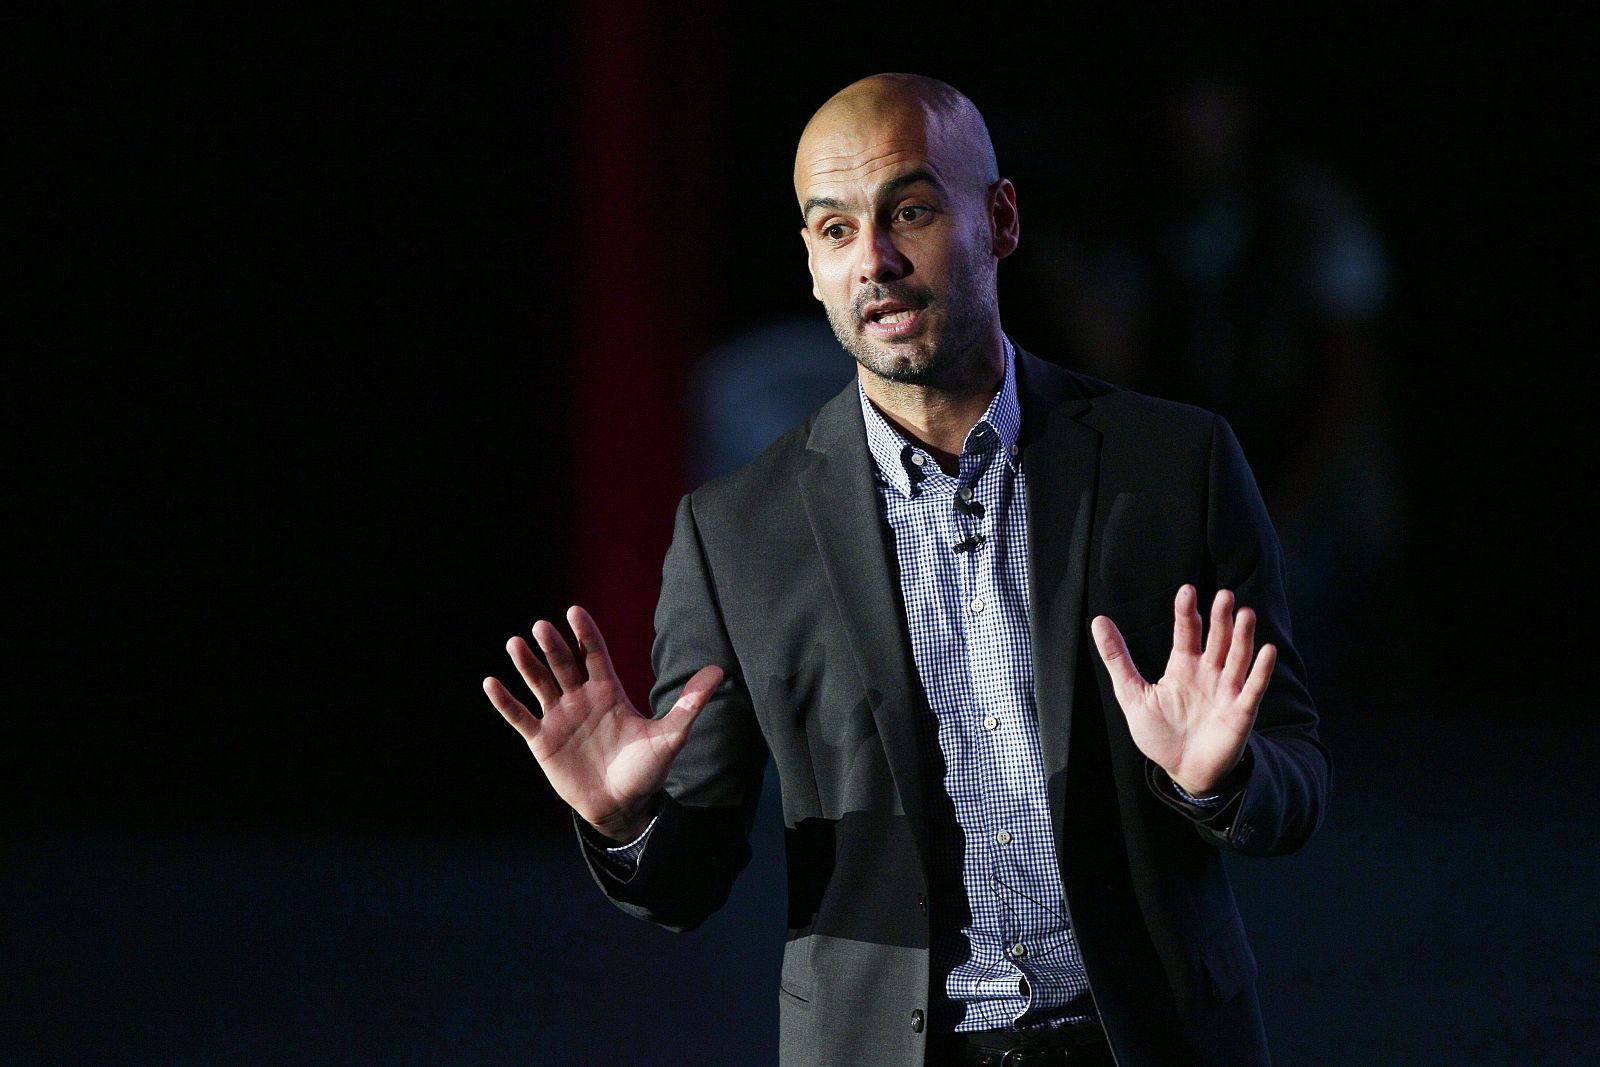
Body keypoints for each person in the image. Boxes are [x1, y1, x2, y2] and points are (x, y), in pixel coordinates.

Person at [483, 73, 1327, 1067]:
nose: (874, 259)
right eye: (834, 229)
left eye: (911, 211)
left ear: (1000, 218)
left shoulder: (1173, 465)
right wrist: (627, 824)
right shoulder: (736, 532)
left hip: (1149, 1040)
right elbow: (687, 881)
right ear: (809, 263)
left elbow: (1295, 781)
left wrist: (1218, 778)